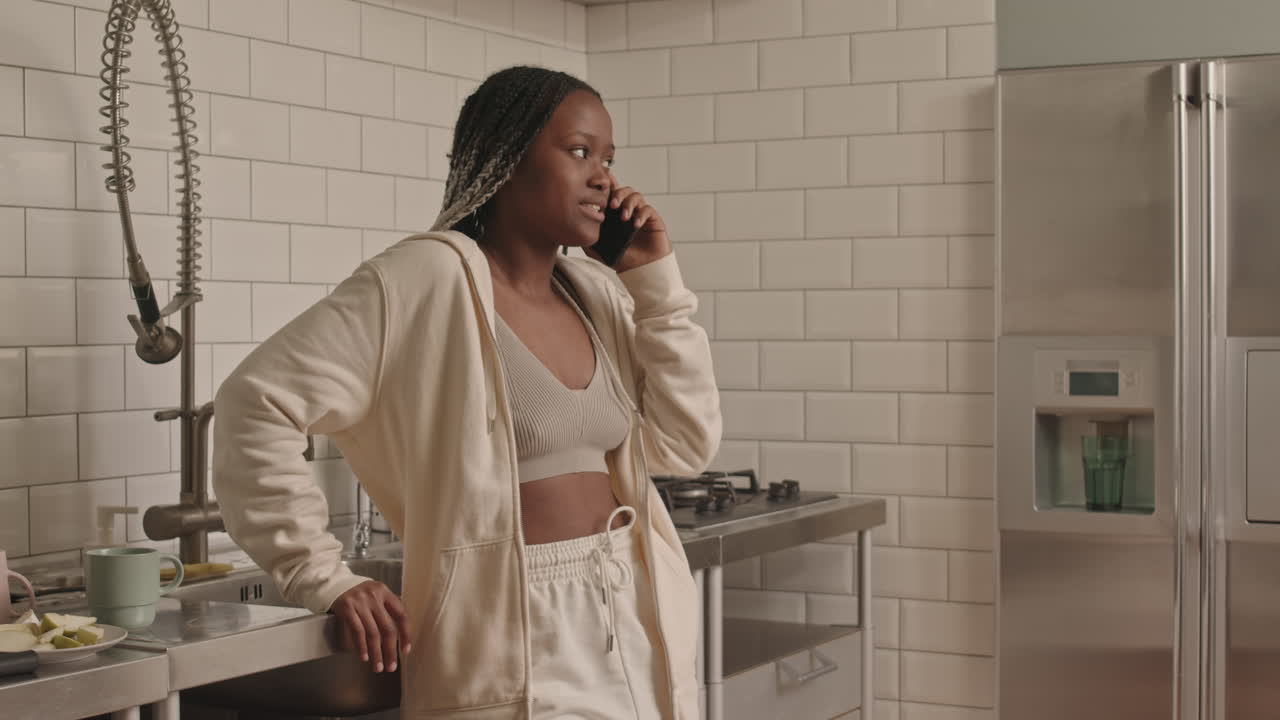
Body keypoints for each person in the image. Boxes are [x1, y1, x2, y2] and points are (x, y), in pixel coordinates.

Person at [212, 65, 721, 719]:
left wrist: (653, 281)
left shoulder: (594, 293)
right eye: (578, 152)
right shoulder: (425, 277)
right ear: (505, 160)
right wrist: (321, 575)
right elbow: (256, 401)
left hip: (636, 607)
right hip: (510, 629)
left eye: (608, 158)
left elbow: (686, 444)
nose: (604, 177)